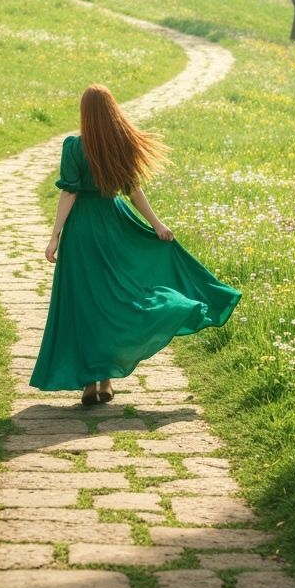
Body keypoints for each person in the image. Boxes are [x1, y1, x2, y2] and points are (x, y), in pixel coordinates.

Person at [30, 83, 241, 405]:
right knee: (118, 297)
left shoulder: (74, 147)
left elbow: (70, 192)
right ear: (112, 111)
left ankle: (90, 383)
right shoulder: (121, 144)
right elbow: (133, 190)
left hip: (82, 231)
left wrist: (54, 235)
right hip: (115, 225)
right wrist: (157, 225)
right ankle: (106, 380)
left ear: (85, 113)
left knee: (85, 303)